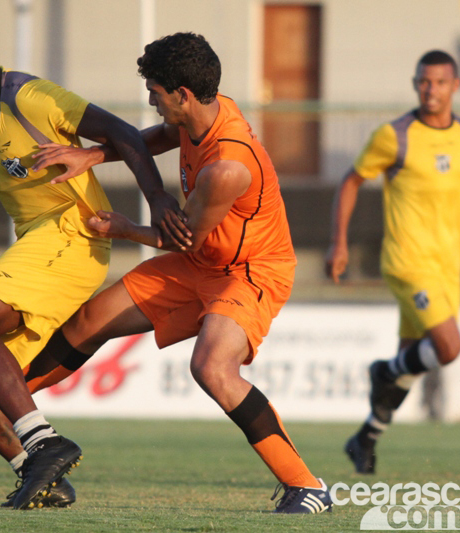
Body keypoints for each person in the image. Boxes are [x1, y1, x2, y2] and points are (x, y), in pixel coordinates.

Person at [29, 32, 332, 514]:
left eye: (155, 91)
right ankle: (1, 404)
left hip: (250, 271)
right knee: (90, 322)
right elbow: (169, 136)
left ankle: (307, 486)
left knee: (212, 367)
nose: (151, 100)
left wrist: (127, 230)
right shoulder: (204, 115)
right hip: (202, 260)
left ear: (182, 94)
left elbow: (180, 237)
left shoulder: (226, 170)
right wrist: (94, 154)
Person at [0, 18, 187, 510]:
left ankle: (45, 442)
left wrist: (159, 199)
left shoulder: (31, 98)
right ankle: (39, 475)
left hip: (73, 234)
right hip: (42, 242)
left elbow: (122, 132)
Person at [326, 50, 460, 474]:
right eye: (423, 81)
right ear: (415, 83)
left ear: (455, 86)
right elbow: (351, 180)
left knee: (411, 363)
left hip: (446, 268)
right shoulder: (395, 135)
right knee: (448, 347)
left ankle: (364, 439)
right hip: (406, 263)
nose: (429, 90)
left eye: (438, 82)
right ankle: (382, 372)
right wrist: (338, 242)